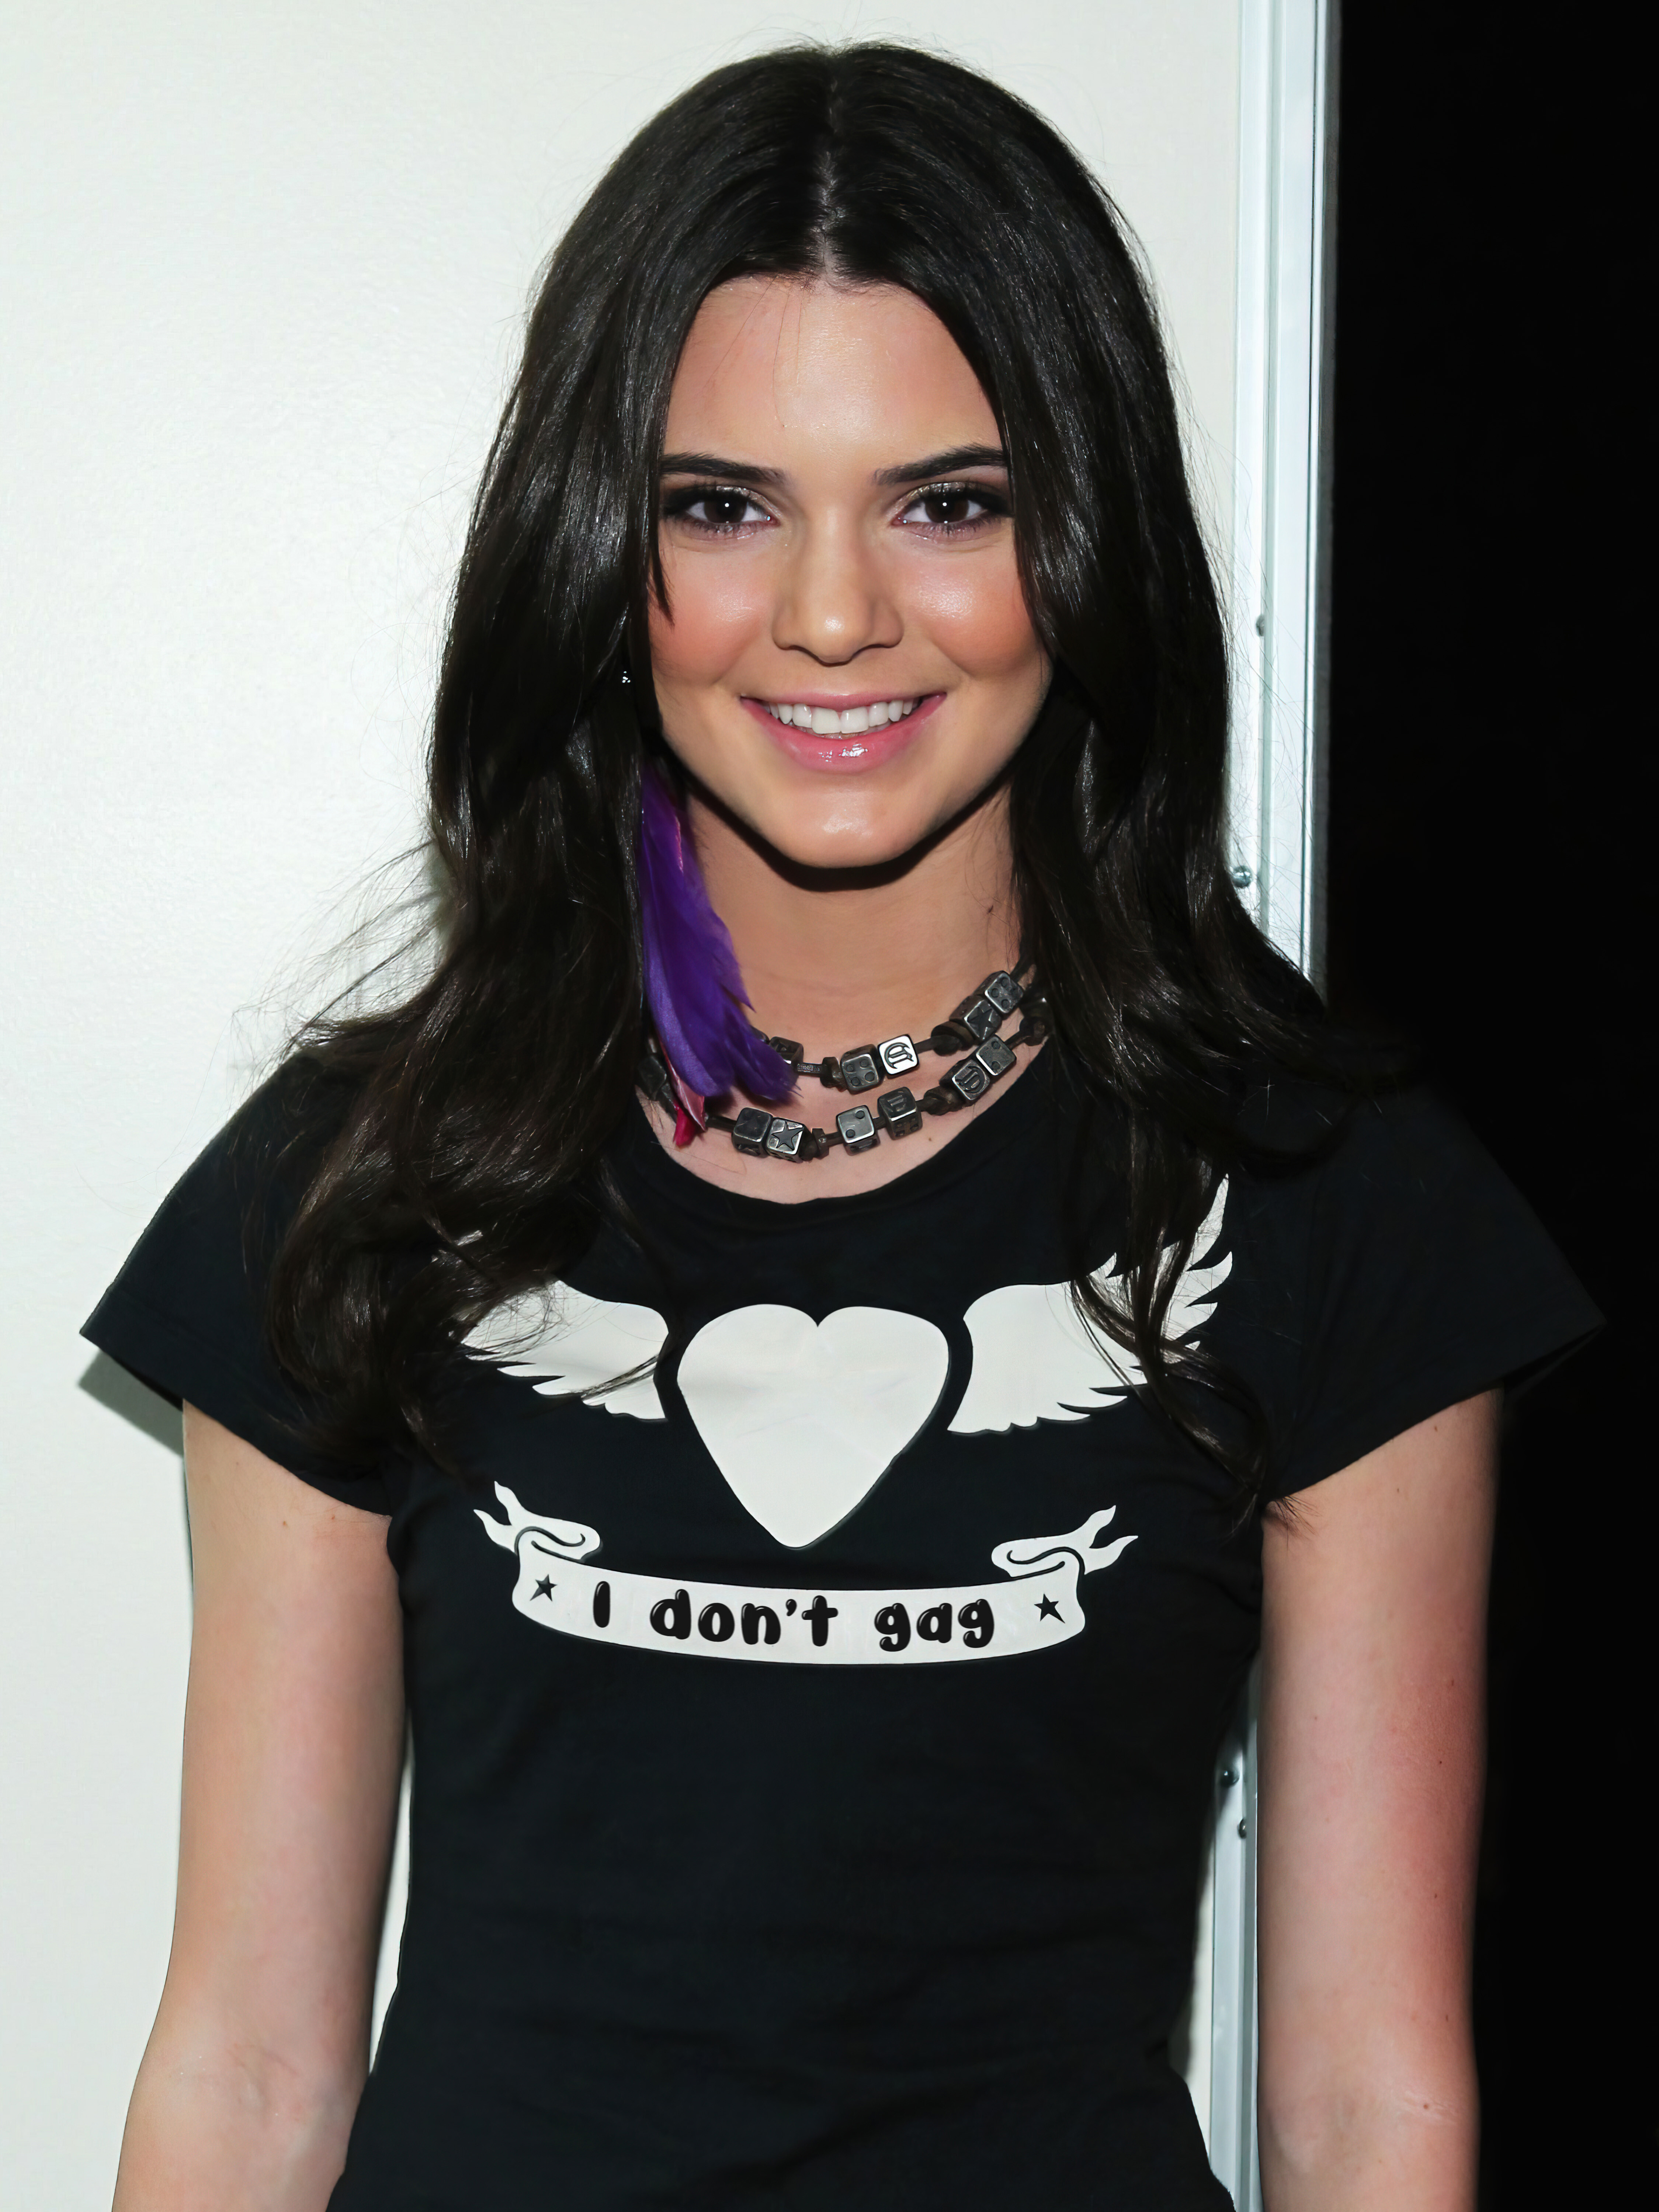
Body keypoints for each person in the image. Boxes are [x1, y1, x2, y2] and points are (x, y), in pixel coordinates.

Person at [84, 42, 1598, 2212]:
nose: (830, 614)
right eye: (721, 507)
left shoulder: (1322, 1199)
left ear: (1085, 539)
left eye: (948, 503)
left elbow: (1368, 2109)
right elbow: (244, 2072)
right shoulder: (370, 1184)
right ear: (600, 552)